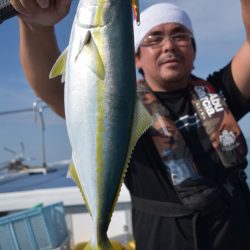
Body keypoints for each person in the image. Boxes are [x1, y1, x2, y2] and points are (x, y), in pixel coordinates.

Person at [15, 0, 250, 249]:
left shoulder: (221, 91)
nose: (169, 46)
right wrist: (36, 26)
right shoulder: (118, 108)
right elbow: (53, 91)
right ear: (136, 57)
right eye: (154, 38)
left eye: (180, 36)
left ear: (194, 49)